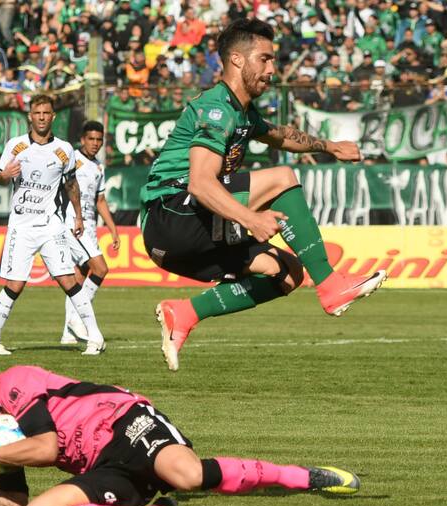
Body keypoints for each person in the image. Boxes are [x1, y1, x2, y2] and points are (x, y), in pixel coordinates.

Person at [139, 19, 386, 371]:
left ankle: (184, 313)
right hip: (172, 216)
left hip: (179, 243)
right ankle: (331, 286)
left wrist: (331, 147)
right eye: (265, 59)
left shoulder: (241, 112)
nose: (273, 69)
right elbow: (200, 183)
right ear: (237, 60)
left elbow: (280, 135)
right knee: (282, 177)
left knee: (286, 273)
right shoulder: (217, 108)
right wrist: (251, 218)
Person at [0, 352, 361, 506]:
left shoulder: (13, 382)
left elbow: (47, 448)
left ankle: (305, 476)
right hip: (103, 467)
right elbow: (20, 504)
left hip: (125, 425)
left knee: (187, 475)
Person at [0, 94, 105, 356]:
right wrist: (4, 175)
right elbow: (0, 178)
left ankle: (95, 337)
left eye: (46, 113)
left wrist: (77, 216)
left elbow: (71, 184)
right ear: (30, 115)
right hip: (21, 226)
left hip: (51, 225)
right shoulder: (15, 146)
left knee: (68, 279)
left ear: (53, 116)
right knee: (15, 284)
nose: (41, 117)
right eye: (37, 113)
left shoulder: (64, 150)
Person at [60, 121, 120, 345]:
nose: (95, 143)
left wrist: (113, 230)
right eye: (91, 139)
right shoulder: (71, 160)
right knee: (101, 268)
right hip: (73, 224)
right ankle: (77, 320)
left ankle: (67, 333)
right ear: (82, 139)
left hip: (90, 226)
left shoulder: (98, 166)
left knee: (77, 276)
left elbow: (100, 200)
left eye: (99, 140)